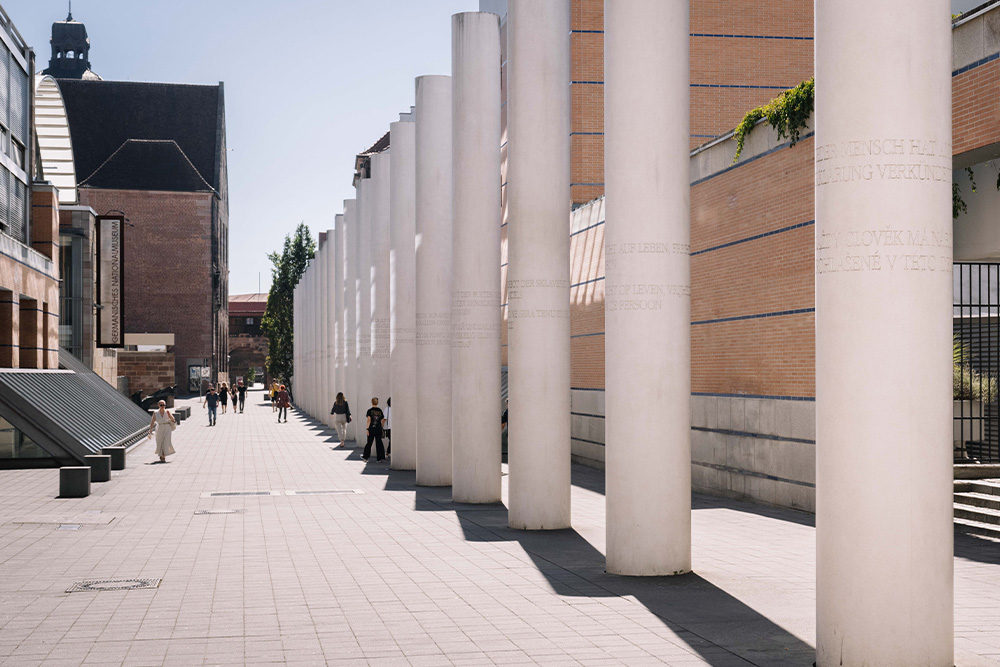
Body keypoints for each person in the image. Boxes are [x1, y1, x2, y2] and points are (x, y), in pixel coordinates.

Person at [362, 397, 386, 462]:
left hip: (371, 428)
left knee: (369, 443)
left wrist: (367, 429)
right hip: (378, 428)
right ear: (377, 402)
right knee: (379, 443)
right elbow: (382, 420)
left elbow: (369, 420)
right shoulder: (380, 411)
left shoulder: (369, 411)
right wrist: (381, 427)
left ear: (372, 402)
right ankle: (380, 458)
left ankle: (366, 457)